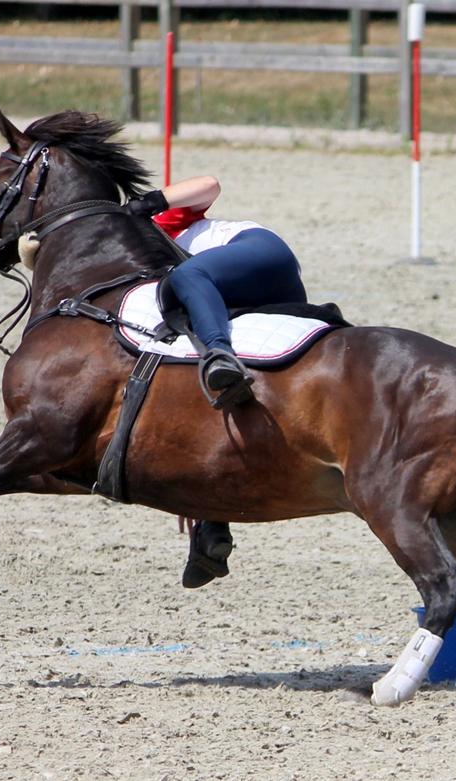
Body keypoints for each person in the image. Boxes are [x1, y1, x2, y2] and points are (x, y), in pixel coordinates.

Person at [124, 174, 308, 588]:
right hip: (243, 298)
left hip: (261, 254)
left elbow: (209, 184)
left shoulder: (155, 222)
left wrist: (149, 202)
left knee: (187, 280)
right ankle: (210, 524)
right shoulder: (130, 261)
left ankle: (219, 351)